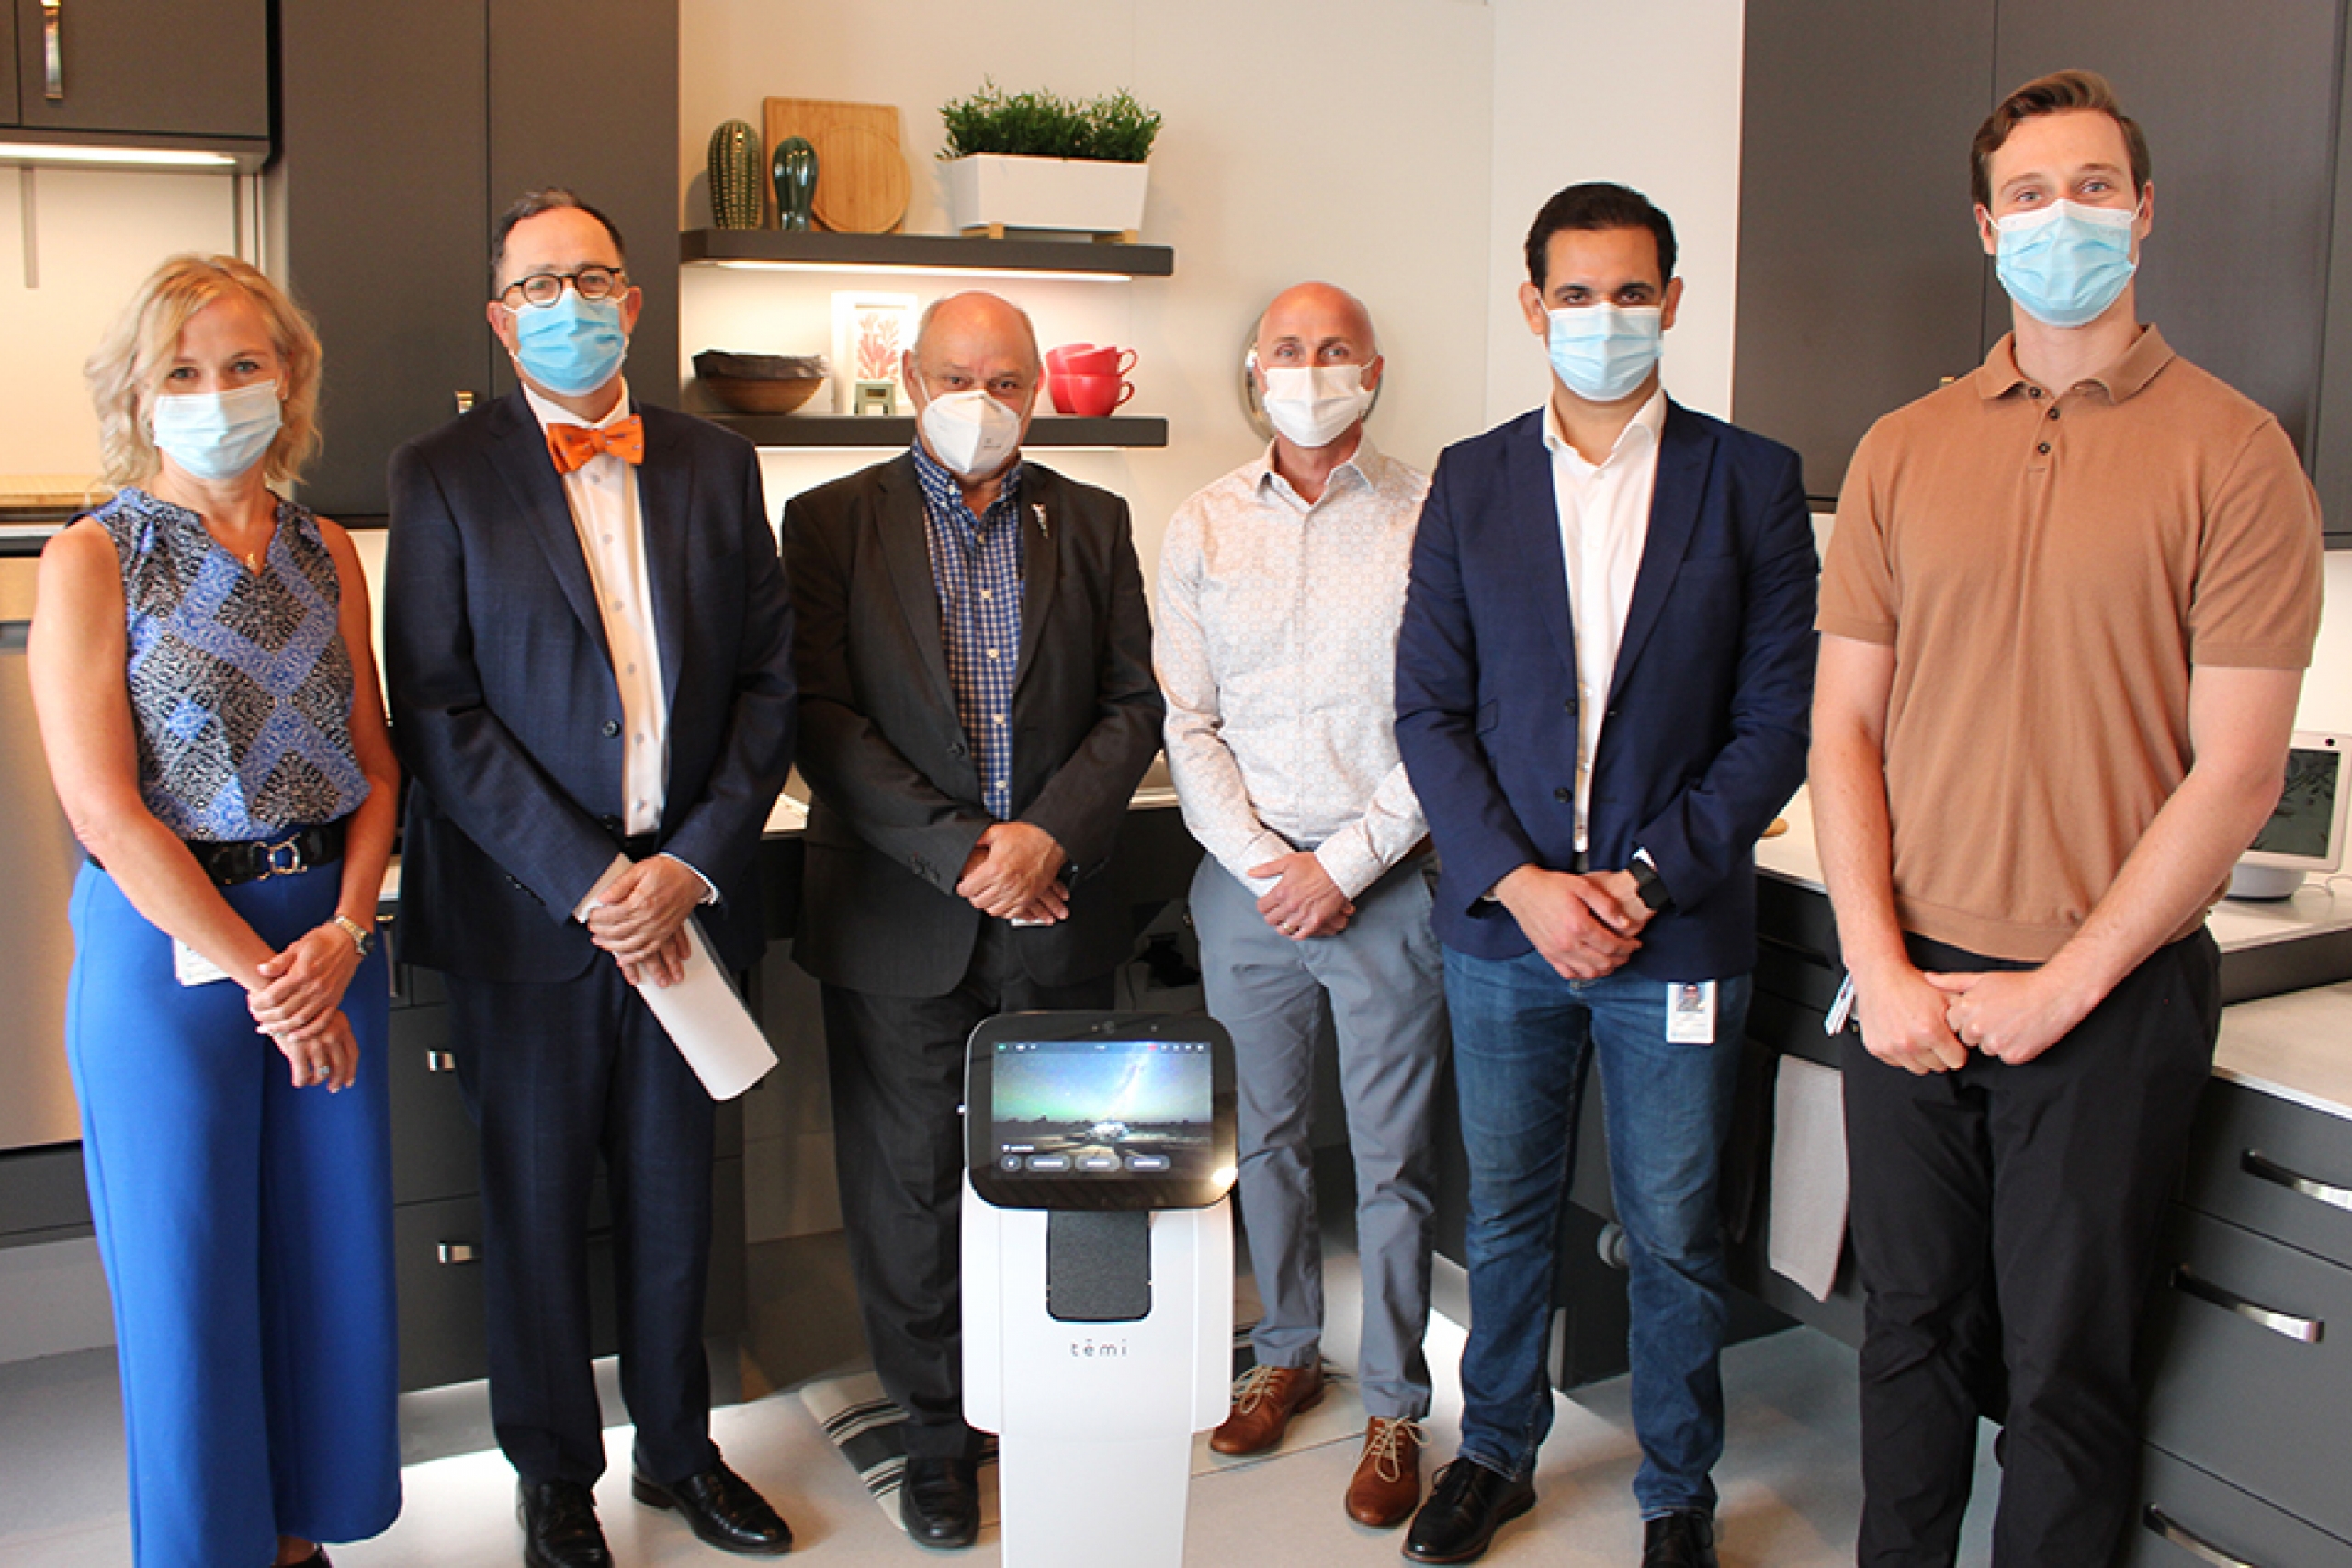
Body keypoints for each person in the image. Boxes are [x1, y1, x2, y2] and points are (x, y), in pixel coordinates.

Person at [1811, 69, 2323, 1568]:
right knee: (1903, 1341)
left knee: (2070, 1377)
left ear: (2147, 213)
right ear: (1985, 228)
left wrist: (2063, 989)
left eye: (2095, 187)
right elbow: (1843, 727)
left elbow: (2235, 773)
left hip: (2108, 999)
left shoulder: (2237, 455)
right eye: (2030, 195)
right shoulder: (1903, 447)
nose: (2064, 217)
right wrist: (1879, 967)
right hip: (1907, 983)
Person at [1394, 183, 1818, 1568]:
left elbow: (1776, 725)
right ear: (1532, 309)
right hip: (1504, 935)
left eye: (1632, 293)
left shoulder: (1750, 478)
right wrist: (1521, 882)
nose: (1604, 320)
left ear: (1675, 303)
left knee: (1676, 1231)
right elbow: (1428, 715)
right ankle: (1496, 1452)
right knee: (1506, 1213)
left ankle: (1676, 1493)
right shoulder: (1474, 478)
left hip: (1676, 935)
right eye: (1575, 296)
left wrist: (1635, 883)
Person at [384, 189, 797, 1568]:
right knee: (537, 1205)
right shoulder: (438, 473)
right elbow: (435, 711)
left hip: (681, 909)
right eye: (540, 284)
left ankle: (679, 1455)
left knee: (682, 1198)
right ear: (503, 320)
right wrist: (586, 878)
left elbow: (764, 688)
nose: (570, 303)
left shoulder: (716, 464)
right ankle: (554, 1474)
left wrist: (684, 865)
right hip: (529, 919)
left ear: (633, 300)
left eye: (594, 277)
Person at [28, 254, 401, 1568]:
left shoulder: (324, 549)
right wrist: (261, 976)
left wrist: (345, 936)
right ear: (137, 394)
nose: (217, 392)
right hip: (175, 955)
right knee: (191, 1290)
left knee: (325, 1268)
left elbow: (376, 765)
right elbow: (105, 811)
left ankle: (302, 1544)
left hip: (327, 942)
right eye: (181, 372)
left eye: (243, 364)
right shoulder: (92, 558)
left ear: (288, 377)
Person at [783, 290, 1161, 1550]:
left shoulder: (1093, 520)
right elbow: (820, 718)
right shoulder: (829, 522)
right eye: (957, 376)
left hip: (1056, 902)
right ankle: (937, 1440)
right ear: (907, 383)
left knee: (1062, 1177)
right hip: (901, 911)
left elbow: (1130, 702)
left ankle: (1050, 1404)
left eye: (1006, 381)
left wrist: (1048, 834)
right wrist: (966, 855)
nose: (980, 402)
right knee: (907, 1191)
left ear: (1039, 391)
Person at [1155, 281, 1447, 1528]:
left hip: (1385, 881)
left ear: (1373, 370)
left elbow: (1448, 721)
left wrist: (1350, 866)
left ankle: (1393, 1402)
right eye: (1288, 349)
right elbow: (1189, 722)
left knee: (1392, 1161)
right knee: (1257, 1141)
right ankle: (1284, 1352)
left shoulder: (1436, 517)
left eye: (1334, 350)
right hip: (1249, 885)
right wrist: (1275, 866)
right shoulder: (1205, 524)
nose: (1310, 367)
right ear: (1254, 370)